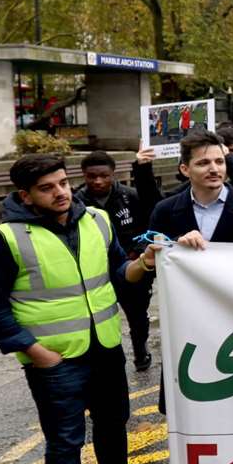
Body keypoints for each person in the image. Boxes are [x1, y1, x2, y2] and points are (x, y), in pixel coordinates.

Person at [0, 155, 170, 464]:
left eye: (63, 183)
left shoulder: (96, 220)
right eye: (47, 188)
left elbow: (118, 273)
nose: (60, 192)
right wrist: (34, 351)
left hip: (104, 345)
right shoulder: (7, 239)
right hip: (55, 358)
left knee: (114, 421)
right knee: (64, 440)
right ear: (25, 195)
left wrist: (142, 265)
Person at [74, 152, 154, 370]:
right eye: (91, 176)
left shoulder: (131, 196)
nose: (98, 181)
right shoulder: (76, 202)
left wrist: (138, 253)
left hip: (131, 268)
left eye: (104, 176)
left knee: (137, 315)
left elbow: (149, 227)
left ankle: (140, 350)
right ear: (84, 175)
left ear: (113, 174)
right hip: (96, 273)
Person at [148, 129, 233, 245]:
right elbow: (155, 259)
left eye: (219, 162)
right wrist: (176, 244)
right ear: (185, 170)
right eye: (203, 163)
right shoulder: (164, 211)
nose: (214, 169)